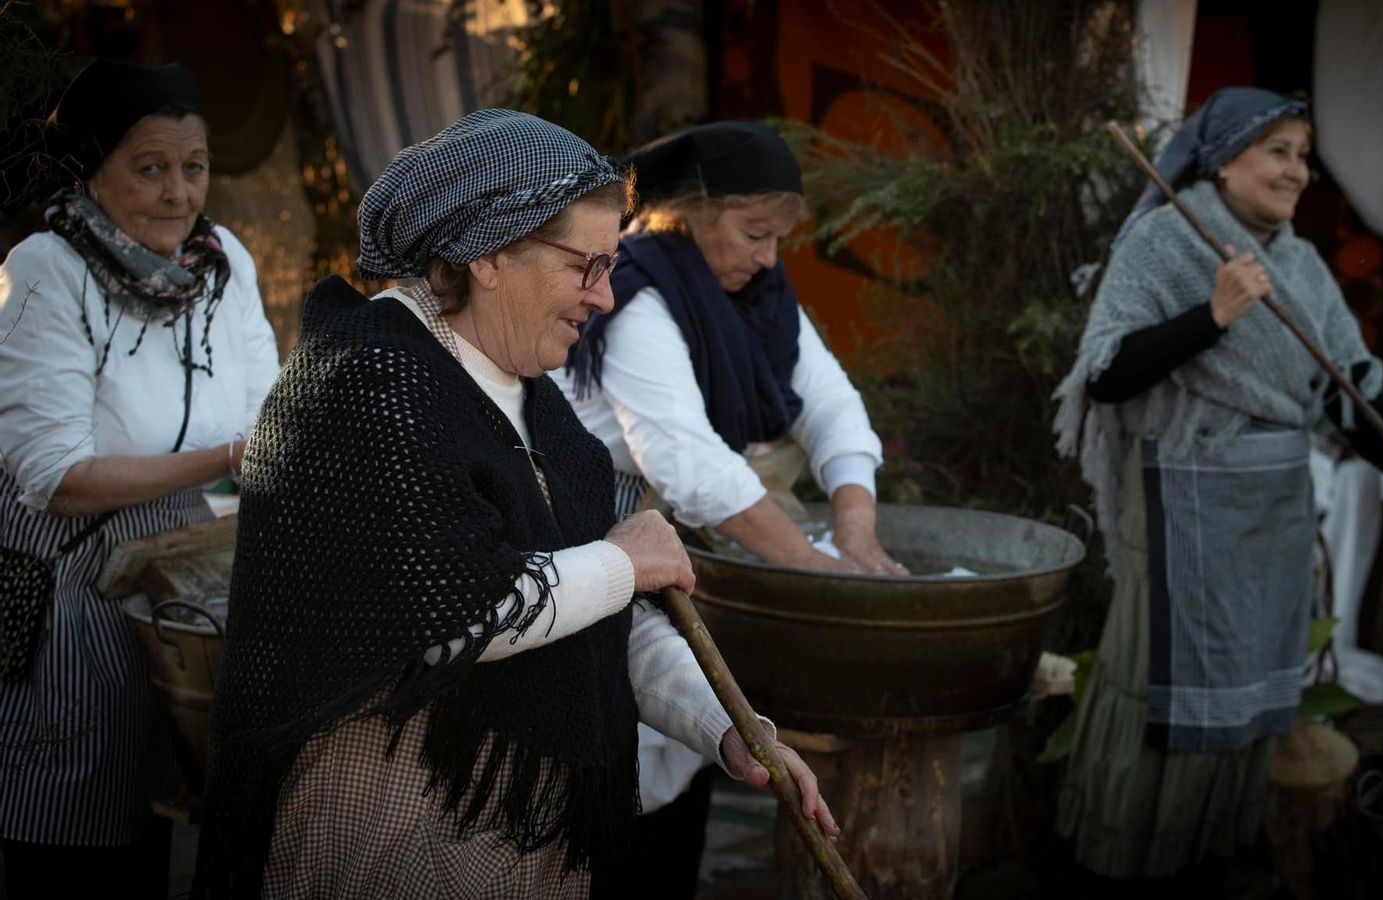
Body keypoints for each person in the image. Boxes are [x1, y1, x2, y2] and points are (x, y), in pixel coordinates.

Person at [191, 109, 838, 899]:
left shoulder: (540, 405)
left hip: (526, 829)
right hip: (394, 825)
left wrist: (726, 728)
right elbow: (455, 616)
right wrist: (621, 560)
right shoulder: (366, 384)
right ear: (489, 253)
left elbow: (606, 614)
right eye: (587, 267)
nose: (604, 299)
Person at [1050, 87, 1383, 884]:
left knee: (1244, 714)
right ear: (1224, 157)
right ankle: (1128, 866)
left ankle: (1217, 857)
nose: (1298, 171)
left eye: (1304, 155)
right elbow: (1104, 376)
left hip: (1270, 514)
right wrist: (1214, 314)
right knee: (1169, 706)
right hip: (1184, 511)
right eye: (1280, 151)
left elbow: (1348, 387)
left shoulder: (1299, 263)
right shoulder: (1166, 241)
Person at [556, 120, 896, 895]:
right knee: (629, 746)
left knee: (696, 744)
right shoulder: (638, 297)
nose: (768, 256)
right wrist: (822, 577)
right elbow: (694, 470)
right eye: (753, 233)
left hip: (682, 550)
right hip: (598, 537)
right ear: (691, 213)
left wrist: (858, 532)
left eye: (779, 237)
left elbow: (834, 409)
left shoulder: (760, 297)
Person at [0, 60, 280, 898]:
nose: (177, 193)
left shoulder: (223, 261)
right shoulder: (47, 270)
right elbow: (54, 476)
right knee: (79, 839)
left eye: (192, 167)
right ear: (90, 172)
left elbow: (269, 404)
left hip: (183, 579)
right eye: (149, 167)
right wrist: (228, 461)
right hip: (73, 591)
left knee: (164, 815)